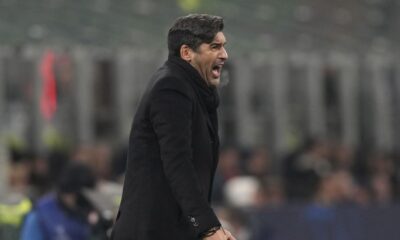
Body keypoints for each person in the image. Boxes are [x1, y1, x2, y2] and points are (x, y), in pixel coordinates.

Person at [111, 14, 235, 240]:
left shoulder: (195, 90)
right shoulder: (171, 87)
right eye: (215, 47)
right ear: (187, 53)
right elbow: (177, 163)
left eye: (224, 46)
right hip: (151, 231)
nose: (224, 55)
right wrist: (207, 228)